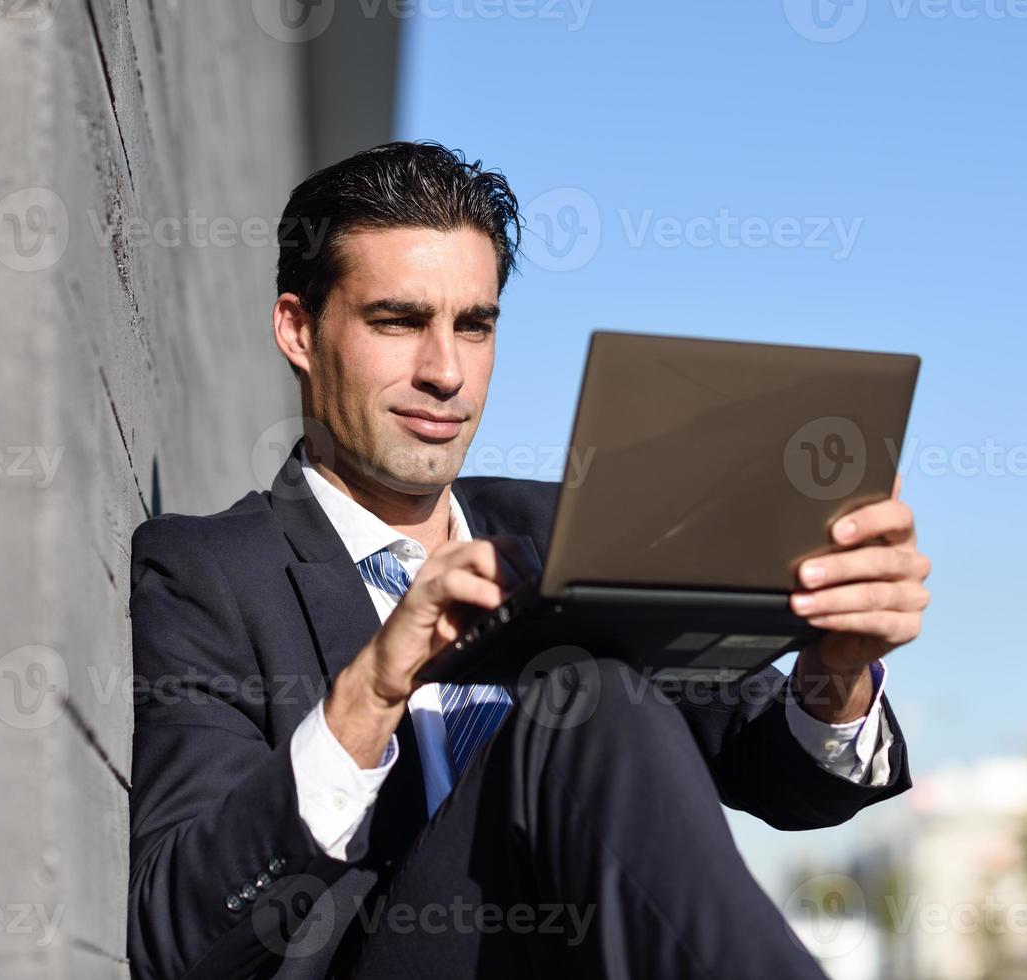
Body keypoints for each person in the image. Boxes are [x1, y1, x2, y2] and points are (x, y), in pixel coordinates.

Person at [126, 141, 932, 979]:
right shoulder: (209, 573)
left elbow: (784, 781)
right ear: (298, 329)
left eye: (473, 326)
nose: (445, 372)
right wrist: (371, 691)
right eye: (397, 322)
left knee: (592, 697)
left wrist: (834, 672)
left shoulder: (564, 528)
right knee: (587, 696)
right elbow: (176, 936)